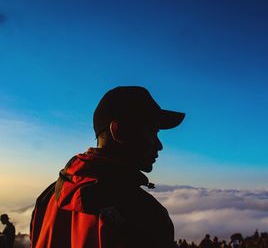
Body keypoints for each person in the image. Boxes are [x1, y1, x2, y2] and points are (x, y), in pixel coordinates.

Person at [30, 86, 185, 248]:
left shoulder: (49, 197)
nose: (159, 145)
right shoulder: (146, 214)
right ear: (119, 131)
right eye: (152, 132)